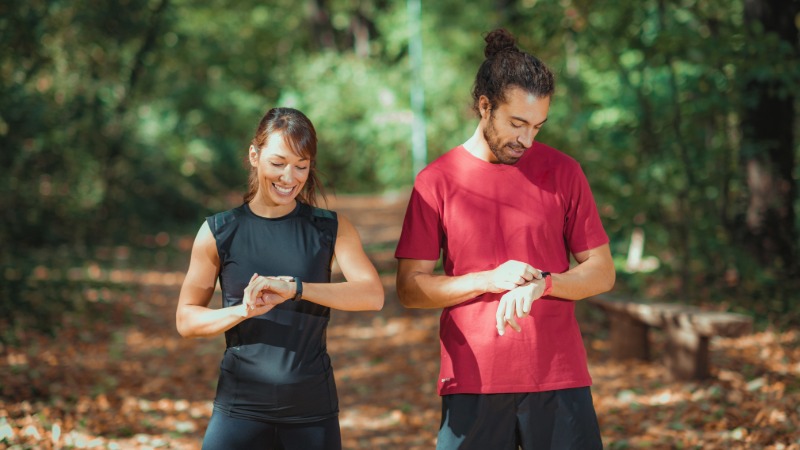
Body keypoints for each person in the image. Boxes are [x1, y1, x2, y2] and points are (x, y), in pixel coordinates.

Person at [395, 28, 615, 450]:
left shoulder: (564, 172)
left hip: (558, 376)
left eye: (537, 126)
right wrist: (488, 279)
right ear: (484, 105)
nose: (527, 139)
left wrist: (545, 283)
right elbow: (410, 288)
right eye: (517, 123)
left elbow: (602, 272)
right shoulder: (435, 182)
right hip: (472, 379)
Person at [176, 107, 384, 450]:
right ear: (254, 156)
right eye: (278, 163)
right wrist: (242, 311)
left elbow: (372, 295)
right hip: (239, 411)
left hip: (312, 414)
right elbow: (186, 320)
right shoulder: (218, 231)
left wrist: (296, 289)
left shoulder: (330, 228)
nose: (289, 178)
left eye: (301, 166)